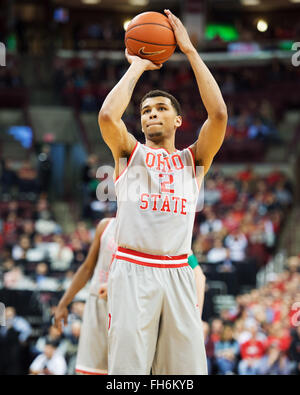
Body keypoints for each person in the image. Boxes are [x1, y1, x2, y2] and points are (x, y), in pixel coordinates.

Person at [98, 9, 227, 375]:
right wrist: (138, 66)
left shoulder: (194, 159)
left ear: (178, 121)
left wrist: (189, 50)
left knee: (185, 374)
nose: (151, 114)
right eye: (144, 111)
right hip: (133, 269)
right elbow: (108, 117)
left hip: (178, 271)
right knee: (128, 374)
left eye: (160, 108)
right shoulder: (129, 153)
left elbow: (218, 115)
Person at [54, 217, 116, 375]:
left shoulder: (146, 230)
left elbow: (189, 258)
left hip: (125, 307)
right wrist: (63, 303)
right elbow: (87, 267)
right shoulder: (106, 226)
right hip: (98, 303)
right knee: (90, 370)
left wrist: (117, 287)